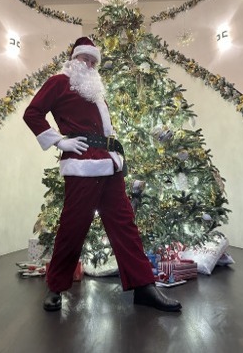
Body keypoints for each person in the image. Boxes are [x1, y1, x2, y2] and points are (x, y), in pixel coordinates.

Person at [23, 36, 181, 312]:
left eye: (94, 60)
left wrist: (116, 156)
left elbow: (104, 130)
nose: (90, 64)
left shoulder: (96, 92)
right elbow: (32, 112)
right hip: (82, 165)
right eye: (85, 58)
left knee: (125, 226)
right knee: (73, 226)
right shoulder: (59, 81)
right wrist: (59, 141)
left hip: (109, 165)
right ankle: (56, 287)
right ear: (74, 59)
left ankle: (144, 286)